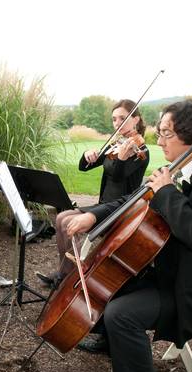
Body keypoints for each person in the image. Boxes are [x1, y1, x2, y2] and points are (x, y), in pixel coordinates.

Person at [61, 100, 192, 372]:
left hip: (190, 290)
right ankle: (112, 344)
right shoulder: (169, 173)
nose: (159, 141)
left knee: (120, 312)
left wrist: (167, 194)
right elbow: (128, 200)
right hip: (163, 275)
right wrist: (92, 216)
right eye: (159, 132)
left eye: (167, 133)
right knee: (108, 284)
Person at [37, 99, 149, 288]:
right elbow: (84, 167)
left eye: (123, 118)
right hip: (103, 204)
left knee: (67, 221)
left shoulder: (141, 150)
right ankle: (65, 273)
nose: (117, 123)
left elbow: (120, 176)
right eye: (114, 119)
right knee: (61, 217)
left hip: (119, 208)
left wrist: (121, 158)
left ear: (135, 119)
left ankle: (69, 277)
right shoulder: (116, 143)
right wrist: (88, 154)